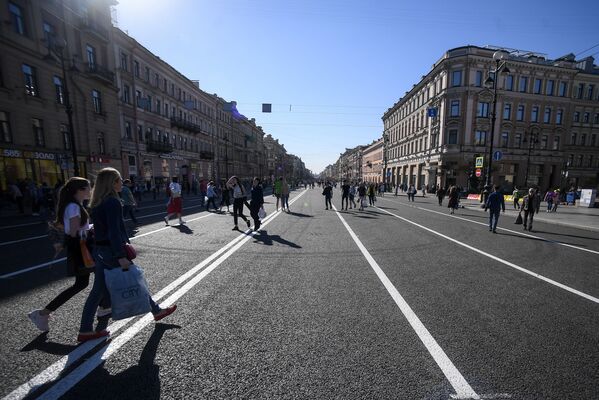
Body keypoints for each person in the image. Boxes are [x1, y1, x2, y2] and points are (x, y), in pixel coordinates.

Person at [78, 168, 176, 342]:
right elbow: (114, 232)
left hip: (99, 250)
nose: (122, 183)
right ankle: (157, 311)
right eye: (119, 180)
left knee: (98, 290)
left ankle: (85, 329)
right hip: (111, 251)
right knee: (135, 279)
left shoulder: (97, 202)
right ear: (112, 183)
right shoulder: (113, 202)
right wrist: (120, 255)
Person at [28, 177, 110, 332]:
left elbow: (73, 229)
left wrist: (87, 227)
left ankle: (43, 314)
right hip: (81, 248)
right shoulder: (73, 207)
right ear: (79, 190)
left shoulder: (74, 205)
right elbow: (74, 232)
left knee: (85, 282)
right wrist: (90, 230)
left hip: (79, 247)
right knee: (98, 277)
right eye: (88, 187)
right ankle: (104, 307)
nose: (91, 190)